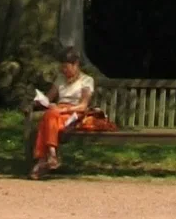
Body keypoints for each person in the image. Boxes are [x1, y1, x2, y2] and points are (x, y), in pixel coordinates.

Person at [29, 48, 113, 177]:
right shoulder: (60, 79)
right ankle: (51, 156)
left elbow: (83, 106)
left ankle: (44, 159)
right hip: (57, 113)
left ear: (76, 64)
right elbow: (49, 98)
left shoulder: (86, 80)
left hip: (74, 113)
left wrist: (63, 109)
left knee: (47, 119)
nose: (64, 70)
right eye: (62, 67)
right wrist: (42, 101)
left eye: (66, 67)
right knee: (50, 116)